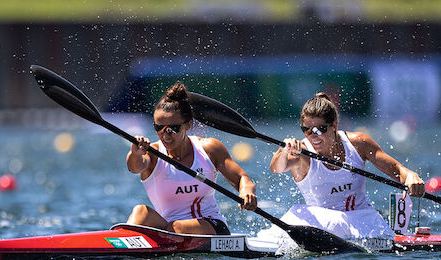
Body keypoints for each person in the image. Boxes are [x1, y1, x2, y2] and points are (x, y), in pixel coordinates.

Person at [268, 92, 425, 241]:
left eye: (319, 129)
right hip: (320, 224)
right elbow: (276, 168)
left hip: (362, 220)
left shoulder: (358, 143)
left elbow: (397, 170)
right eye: (306, 130)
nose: (313, 136)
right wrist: (283, 150)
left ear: (334, 125)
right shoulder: (301, 153)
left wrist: (411, 176)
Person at [126, 82, 257, 235]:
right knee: (141, 211)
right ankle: (117, 246)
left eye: (172, 128)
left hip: (210, 226)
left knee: (177, 228)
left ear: (188, 125)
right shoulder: (152, 153)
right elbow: (135, 167)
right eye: (158, 128)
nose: (165, 135)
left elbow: (241, 178)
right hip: (168, 228)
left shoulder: (209, 148)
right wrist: (135, 152)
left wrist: (247, 192)